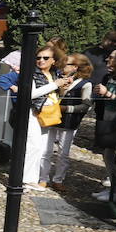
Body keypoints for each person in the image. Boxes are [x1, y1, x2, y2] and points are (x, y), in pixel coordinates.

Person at [0, 45, 74, 189]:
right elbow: (31, 94)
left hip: (46, 113)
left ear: (53, 60)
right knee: (33, 146)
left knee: (41, 148)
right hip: (32, 112)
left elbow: (55, 94)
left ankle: (33, 178)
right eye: (38, 58)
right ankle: (25, 180)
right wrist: (54, 85)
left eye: (45, 58)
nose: (41, 60)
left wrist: (62, 87)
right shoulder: (31, 73)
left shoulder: (54, 74)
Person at [40, 53, 95, 191]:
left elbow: (85, 106)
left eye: (67, 63)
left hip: (69, 122)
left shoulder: (85, 84)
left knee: (63, 153)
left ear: (75, 67)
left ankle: (58, 179)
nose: (62, 65)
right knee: (46, 150)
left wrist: (66, 108)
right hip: (52, 119)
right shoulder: (57, 78)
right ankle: (43, 178)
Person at [92, 46, 116, 200]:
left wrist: (108, 94)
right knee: (107, 154)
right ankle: (113, 187)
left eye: (112, 57)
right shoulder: (108, 77)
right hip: (107, 119)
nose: (107, 59)